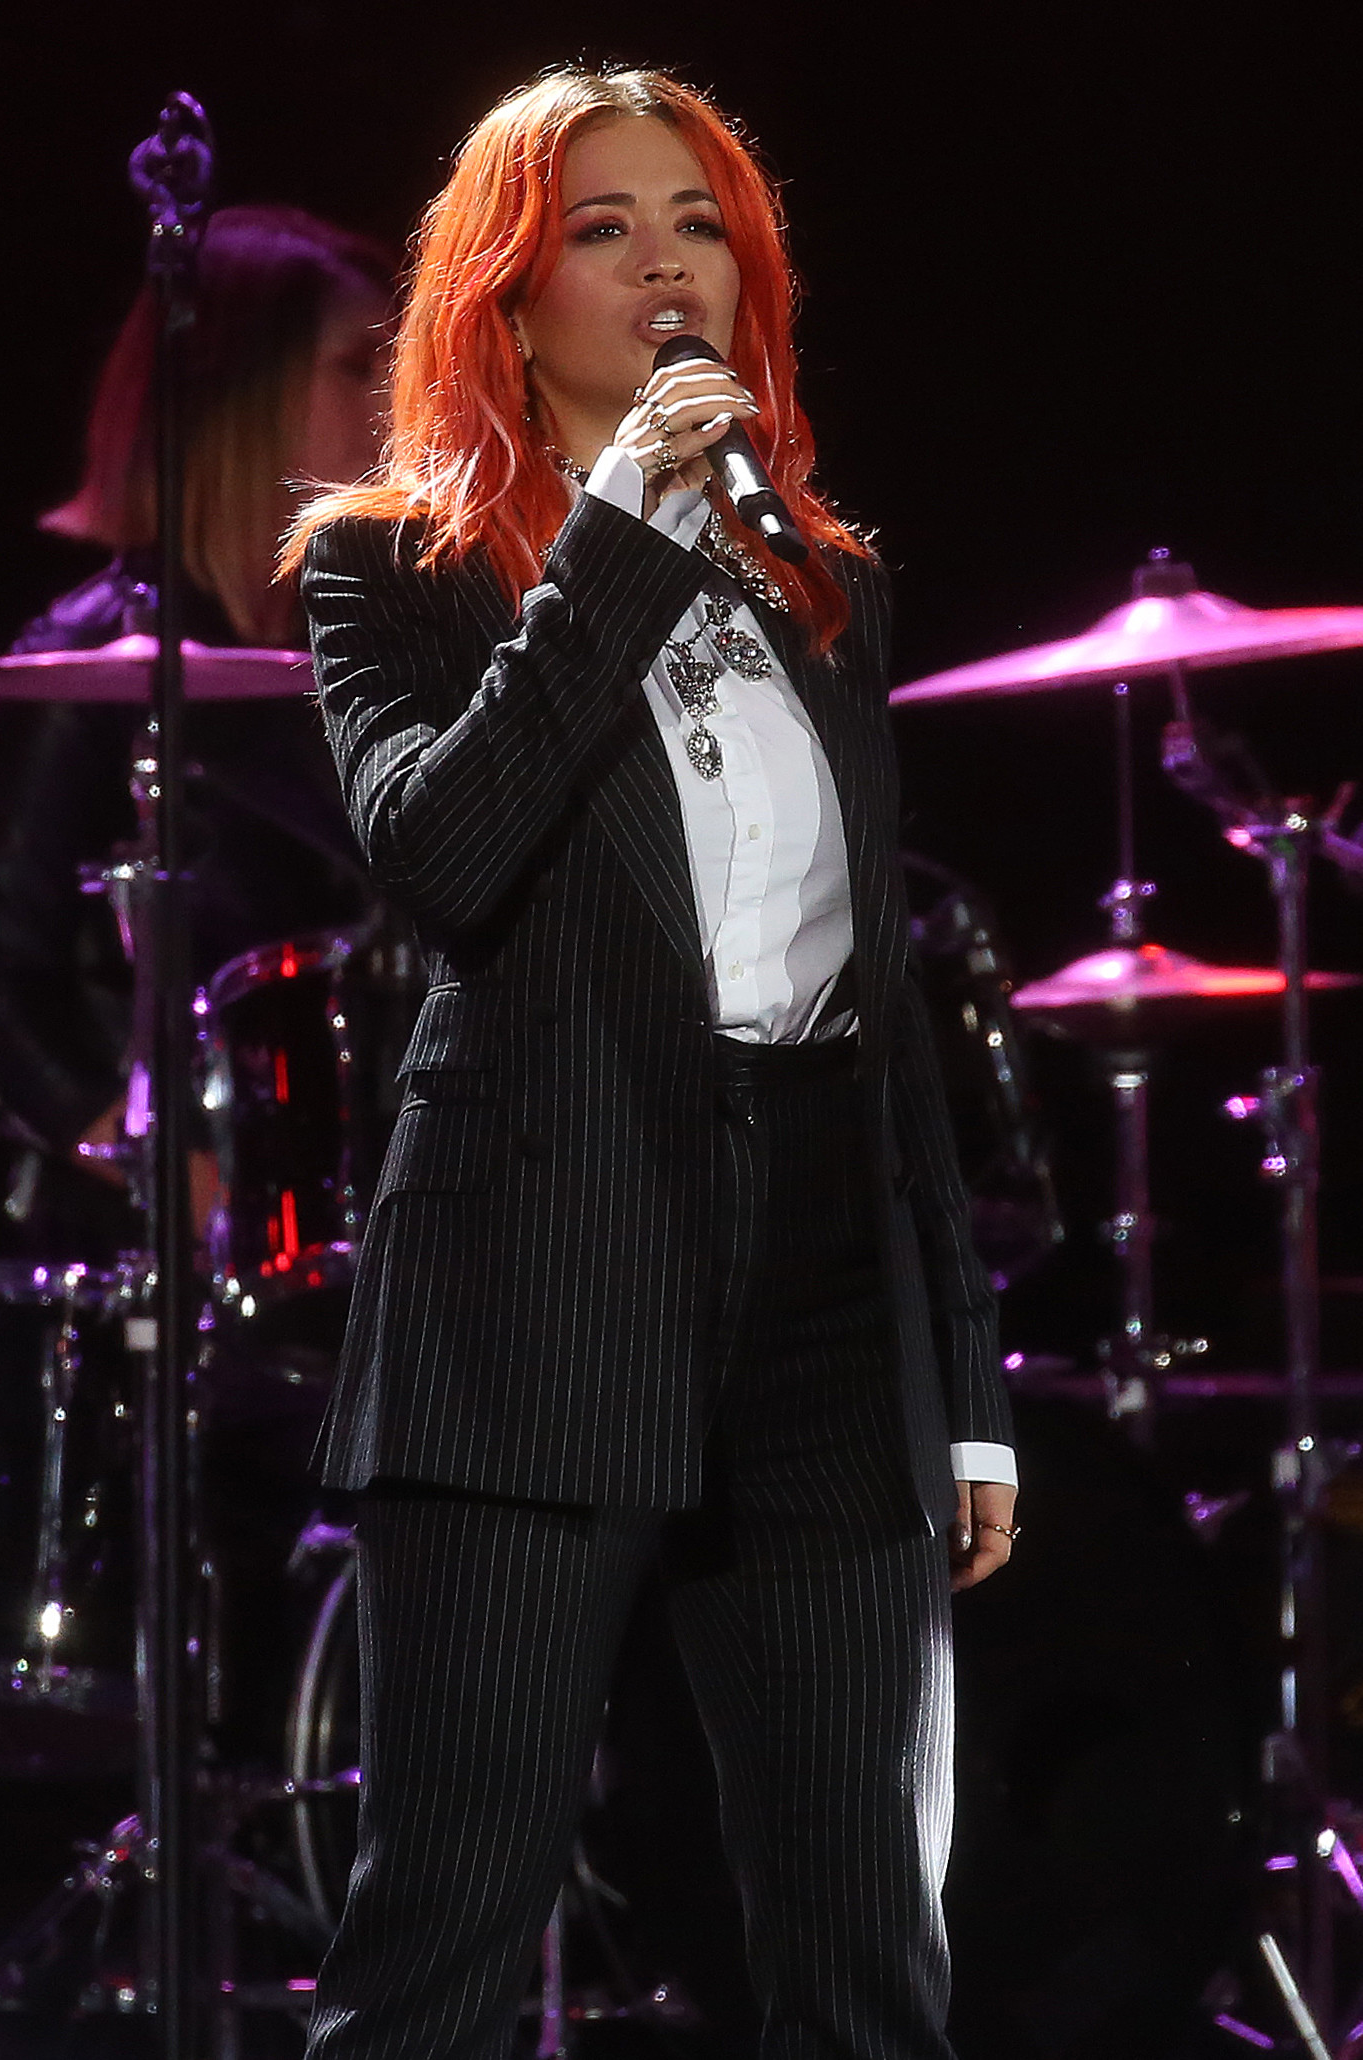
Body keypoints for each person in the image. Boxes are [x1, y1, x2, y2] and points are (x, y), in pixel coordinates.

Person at [285, 67, 1018, 2060]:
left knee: (869, 1947)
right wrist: (609, 538)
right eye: (601, 230)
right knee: (445, 1941)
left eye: (697, 224)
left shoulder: (822, 584)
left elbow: (878, 1004)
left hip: (824, 1295)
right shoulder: (392, 568)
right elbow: (445, 858)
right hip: (540, 1269)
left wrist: (960, 1379)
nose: (663, 264)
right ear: (508, 299)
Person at [0, 205, 396, 1255]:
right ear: (239, 397)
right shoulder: (90, 665)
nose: (395, 403)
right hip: (151, 1259)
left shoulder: (367, 650)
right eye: (356, 367)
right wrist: (175, 1175)